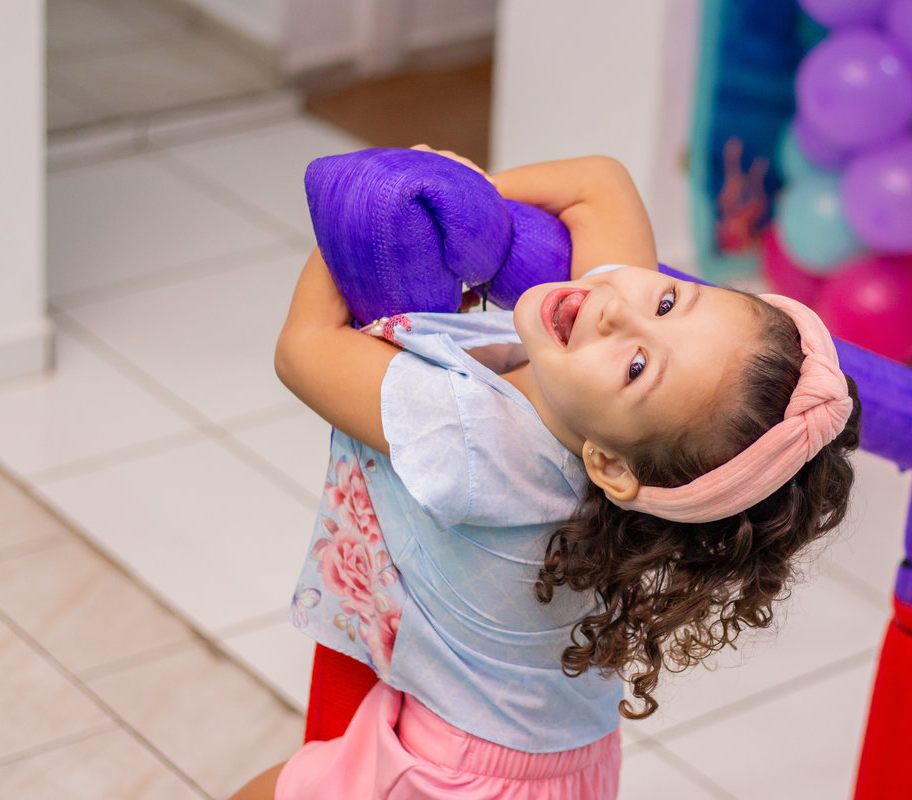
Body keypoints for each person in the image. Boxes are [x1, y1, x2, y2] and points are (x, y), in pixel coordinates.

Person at [229, 150, 861, 799]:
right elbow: (600, 184)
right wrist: (461, 202)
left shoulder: (477, 443)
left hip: (455, 774)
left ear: (610, 464)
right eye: (671, 298)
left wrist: (371, 216)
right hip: (565, 756)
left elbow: (304, 349)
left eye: (638, 367)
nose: (619, 309)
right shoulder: (632, 423)